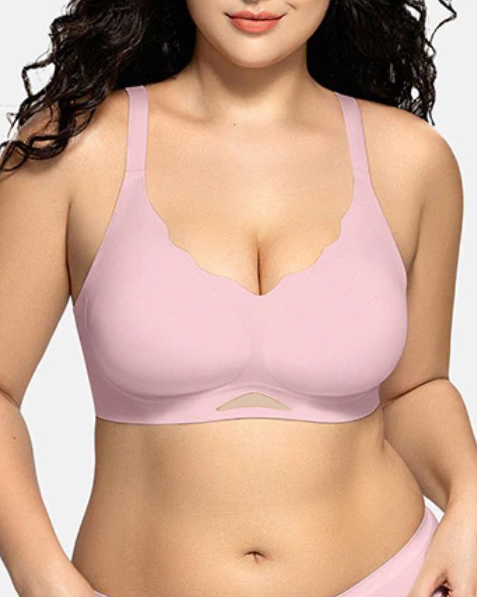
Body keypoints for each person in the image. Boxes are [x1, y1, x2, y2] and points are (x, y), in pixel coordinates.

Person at [0, 0, 475, 596]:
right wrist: (44, 579)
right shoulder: (75, 146)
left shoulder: (413, 160)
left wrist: (470, 505)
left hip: (397, 578)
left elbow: (417, 390)